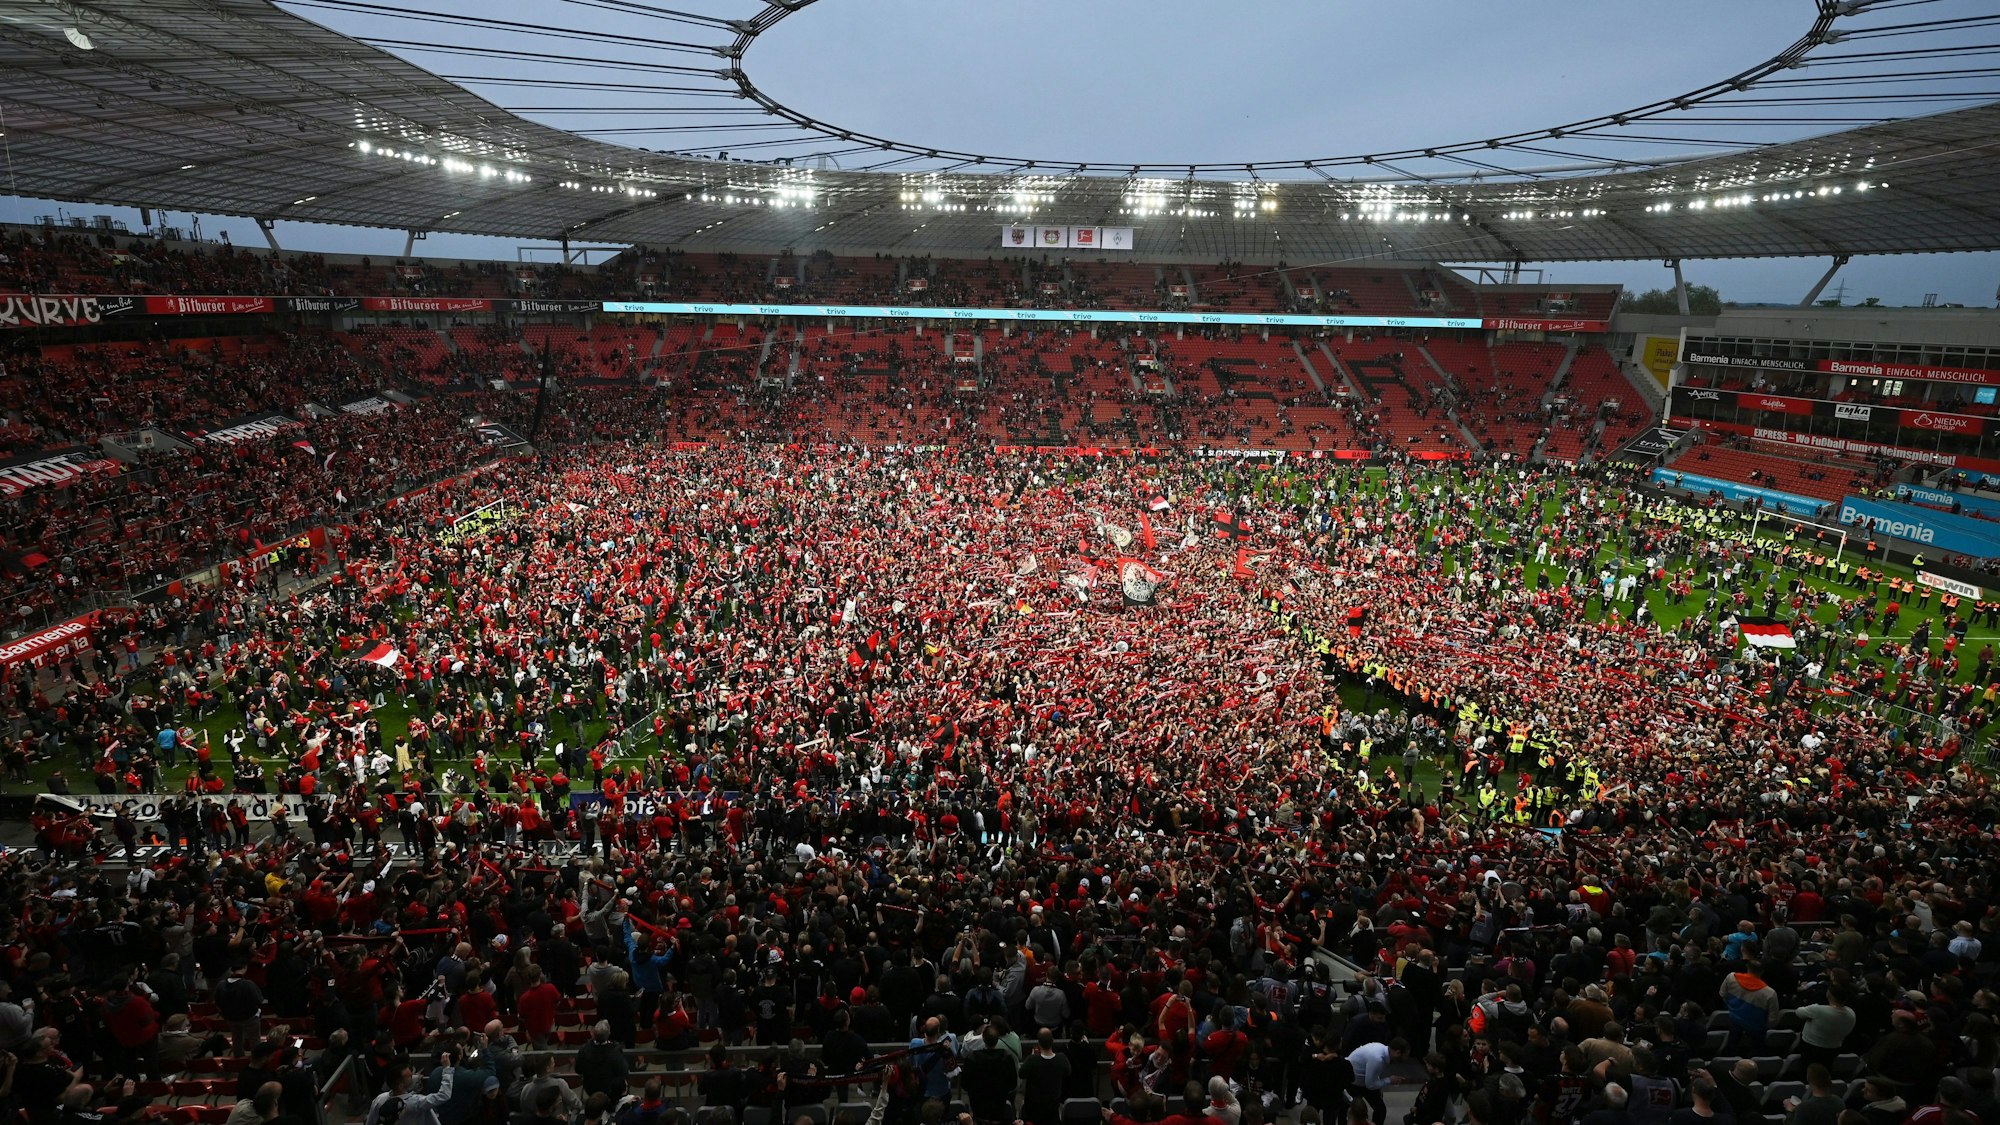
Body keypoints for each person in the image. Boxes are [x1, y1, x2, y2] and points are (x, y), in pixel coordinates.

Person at [367, 1055, 457, 1125]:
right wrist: (447, 1069)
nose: (414, 1077)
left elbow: (371, 1122)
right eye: (410, 1077)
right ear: (401, 1086)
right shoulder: (415, 1102)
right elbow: (444, 1095)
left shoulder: (379, 1099)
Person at [1347, 1037, 1408, 1125]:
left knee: (1380, 1109)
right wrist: (1389, 1080)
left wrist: (1379, 1085)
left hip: (1362, 1079)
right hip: (1354, 1083)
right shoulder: (1377, 1059)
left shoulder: (1381, 1049)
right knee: (1356, 1109)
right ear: (1398, 1052)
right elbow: (1370, 1085)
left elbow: (1372, 1075)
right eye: (1405, 1055)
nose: (1406, 1058)